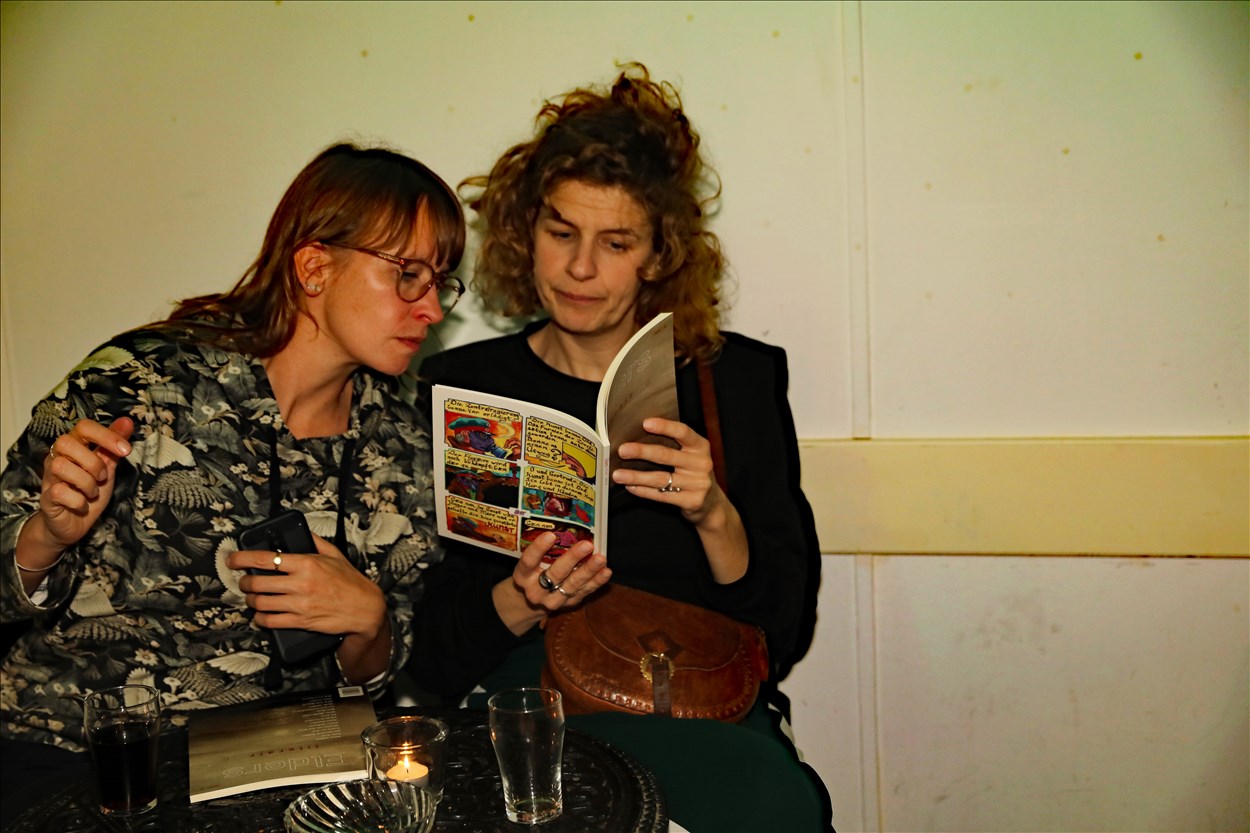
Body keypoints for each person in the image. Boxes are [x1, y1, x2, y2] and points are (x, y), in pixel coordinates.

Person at [0, 141, 611, 826]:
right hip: (86, 757)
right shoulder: (139, 382)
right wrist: (45, 537)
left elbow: (382, 674)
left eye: (439, 282)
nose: (432, 309)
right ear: (315, 267)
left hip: (281, 774)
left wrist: (368, 620)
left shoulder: (403, 441)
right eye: (408, 276)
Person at [412, 64, 830, 832]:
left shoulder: (733, 381)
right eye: (561, 233)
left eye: (616, 242)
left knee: (772, 805)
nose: (580, 268)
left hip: (694, 699)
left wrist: (714, 514)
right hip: (525, 709)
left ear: (659, 254)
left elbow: (786, 629)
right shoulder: (461, 388)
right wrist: (522, 596)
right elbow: (427, 656)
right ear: (524, 233)